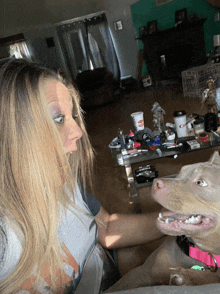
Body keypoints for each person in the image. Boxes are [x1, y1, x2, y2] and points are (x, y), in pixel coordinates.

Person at [0, 58, 164, 294]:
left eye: (73, 116)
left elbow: (105, 226)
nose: (77, 131)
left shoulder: (62, 177)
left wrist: (173, 220)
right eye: (58, 119)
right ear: (10, 133)